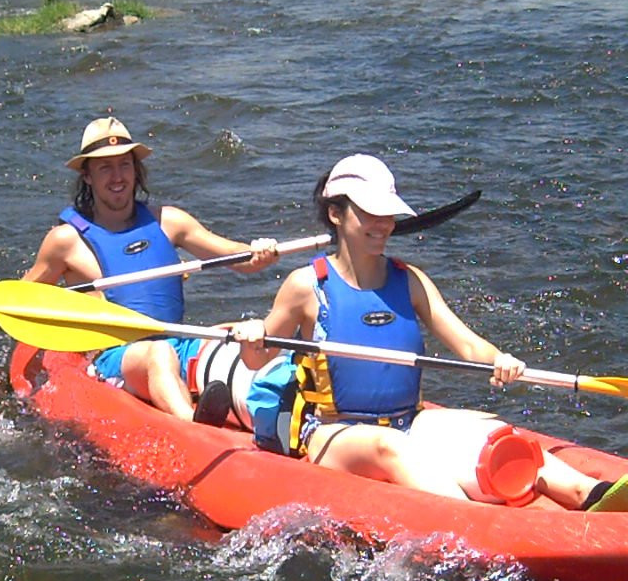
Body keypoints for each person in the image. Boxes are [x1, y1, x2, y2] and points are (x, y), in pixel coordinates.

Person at [231, 153, 628, 511]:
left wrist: (499, 360)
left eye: (387, 214)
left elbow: (468, 344)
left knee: (496, 435)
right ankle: (480, 522)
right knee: (391, 448)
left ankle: (591, 494)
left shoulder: (410, 281)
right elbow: (257, 359)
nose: (383, 225)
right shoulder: (306, 286)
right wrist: (254, 336)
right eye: (369, 213)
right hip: (333, 432)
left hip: (409, 419)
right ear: (336, 214)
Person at [22, 116, 279, 424]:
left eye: (124, 165)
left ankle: (278, 421)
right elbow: (26, 300)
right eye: (105, 167)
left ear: (136, 170)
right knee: (159, 354)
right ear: (87, 176)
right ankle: (192, 424)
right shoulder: (65, 241)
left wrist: (259, 251)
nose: (117, 177)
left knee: (242, 339)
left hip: (179, 343)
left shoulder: (169, 221)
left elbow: (236, 257)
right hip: (117, 358)